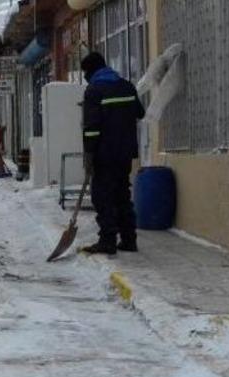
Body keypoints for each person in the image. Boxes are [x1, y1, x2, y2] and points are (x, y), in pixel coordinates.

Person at [80, 52, 145, 255]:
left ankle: (107, 240)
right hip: (125, 152)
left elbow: (91, 128)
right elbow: (140, 113)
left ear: (90, 71)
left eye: (85, 72)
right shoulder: (126, 85)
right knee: (122, 195)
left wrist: (89, 155)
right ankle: (128, 239)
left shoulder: (94, 91)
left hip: (104, 153)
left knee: (103, 196)